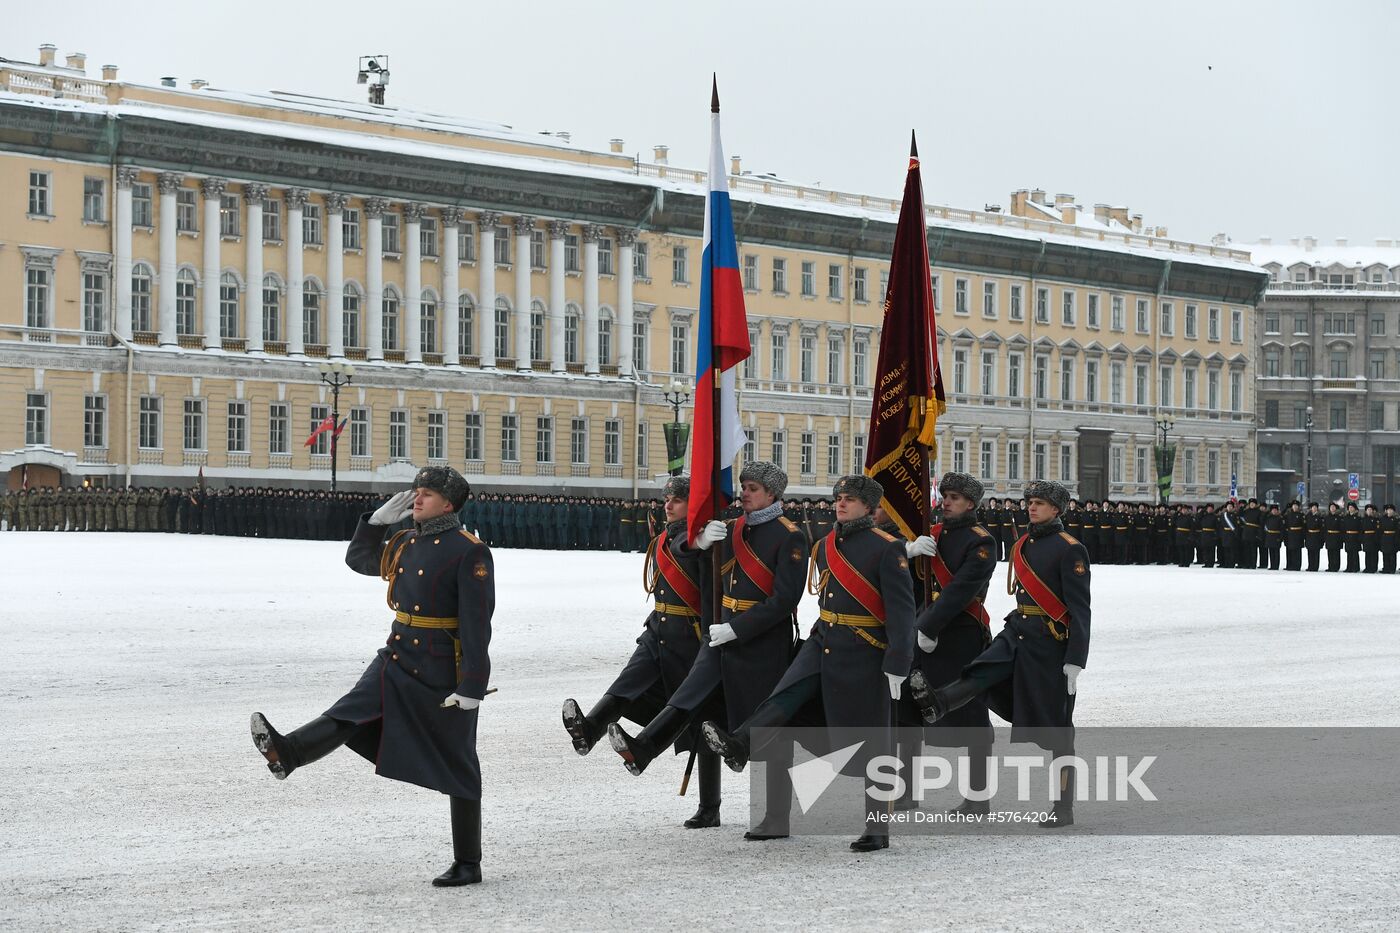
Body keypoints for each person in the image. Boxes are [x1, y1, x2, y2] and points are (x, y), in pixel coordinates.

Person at [250, 466, 493, 886]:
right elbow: (360, 561)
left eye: (427, 495)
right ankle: (288, 753)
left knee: (459, 764)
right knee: (352, 710)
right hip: (397, 654)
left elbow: (477, 622)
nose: (416, 500)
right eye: (416, 492)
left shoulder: (468, 550)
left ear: (449, 504)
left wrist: (472, 684)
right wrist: (375, 524)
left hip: (440, 667)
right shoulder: (405, 541)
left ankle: (468, 863)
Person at [701, 474, 914, 852]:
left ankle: (877, 827)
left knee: (872, 738)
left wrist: (898, 661)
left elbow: (901, 612)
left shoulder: (888, 547)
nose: (841, 504)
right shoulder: (828, 542)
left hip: (863, 650)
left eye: (849, 499)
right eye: (839, 498)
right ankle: (741, 745)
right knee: (782, 699)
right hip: (822, 641)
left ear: (868, 506)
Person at [607, 462, 807, 838]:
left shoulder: (790, 536)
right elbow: (681, 546)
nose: (744, 493)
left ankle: (775, 816)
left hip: (761, 641)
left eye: (752, 488)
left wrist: (737, 628)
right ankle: (645, 748)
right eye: (743, 486)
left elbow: (784, 600)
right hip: (720, 635)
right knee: (690, 697)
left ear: (772, 494)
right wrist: (698, 540)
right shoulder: (731, 529)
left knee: (764, 726)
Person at [908, 479, 1090, 828]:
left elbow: (1081, 610)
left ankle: (1063, 806)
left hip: (1050, 641)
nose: (1031, 507)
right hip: (1017, 630)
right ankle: (940, 703)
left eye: (1039, 503)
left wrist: (1075, 659)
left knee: (1057, 727)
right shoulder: (1023, 544)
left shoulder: (1070, 549)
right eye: (1030, 502)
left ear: (1056, 509)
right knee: (979, 672)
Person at [560, 476, 721, 829]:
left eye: (677, 499)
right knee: (628, 682)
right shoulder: (667, 535)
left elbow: (695, 562)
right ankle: (590, 729)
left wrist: (711, 636)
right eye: (667, 498)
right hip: (660, 628)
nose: (668, 504)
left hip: (691, 634)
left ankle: (710, 805)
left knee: (702, 715)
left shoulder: (703, 540)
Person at [907, 471, 997, 815]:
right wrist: (909, 550)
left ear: (970, 504)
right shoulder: (932, 535)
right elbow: (911, 582)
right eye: (944, 496)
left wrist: (929, 625)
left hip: (960, 634)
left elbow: (962, 589)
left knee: (972, 716)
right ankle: (906, 790)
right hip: (922, 631)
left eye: (954, 498)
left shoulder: (981, 541)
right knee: (910, 712)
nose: (945, 502)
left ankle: (978, 796)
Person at [1283, 501, 1306, 571]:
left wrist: (1303, 535)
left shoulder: (1301, 515)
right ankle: (1290, 565)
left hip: (1298, 534)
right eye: (1293, 506)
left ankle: (1297, 566)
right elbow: (1285, 523)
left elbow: (1304, 525)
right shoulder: (1288, 515)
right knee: (1290, 550)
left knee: (1297, 551)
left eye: (1296, 506)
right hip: (1290, 534)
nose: (1295, 507)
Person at [1304, 502, 1326, 572]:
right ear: (1311, 508)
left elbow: (1322, 528)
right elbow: (1305, 527)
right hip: (1309, 535)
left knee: (1316, 552)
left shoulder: (1320, 517)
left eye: (1315, 507)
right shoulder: (1308, 516)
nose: (1314, 509)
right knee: (1310, 552)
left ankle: (1315, 566)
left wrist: (1321, 538)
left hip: (1317, 536)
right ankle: (1310, 566)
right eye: (1313, 507)